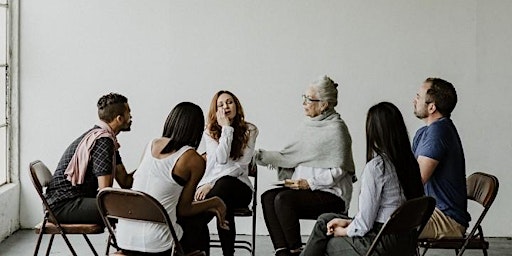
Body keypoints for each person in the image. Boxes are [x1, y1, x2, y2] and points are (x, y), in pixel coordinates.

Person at [300, 102, 425, 256]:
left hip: (382, 243)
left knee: (327, 241)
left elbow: (365, 224)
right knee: (325, 220)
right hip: (406, 241)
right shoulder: (409, 163)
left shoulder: (377, 167)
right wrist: (351, 222)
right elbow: (375, 216)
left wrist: (344, 231)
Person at [256, 75, 356, 256]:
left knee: (283, 200)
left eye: (308, 99)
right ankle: (282, 252)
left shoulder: (337, 129)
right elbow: (288, 157)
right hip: (305, 192)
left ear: (324, 104)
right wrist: (258, 157)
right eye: (304, 97)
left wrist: (309, 183)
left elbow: (339, 170)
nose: (304, 103)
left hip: (331, 195)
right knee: (268, 198)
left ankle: (296, 251)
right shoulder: (307, 126)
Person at [115, 102, 228, 255]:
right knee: (197, 223)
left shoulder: (152, 145)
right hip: (158, 243)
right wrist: (215, 202)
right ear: (197, 129)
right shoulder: (193, 159)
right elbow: (184, 209)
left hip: (124, 238)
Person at [45, 92, 135, 225]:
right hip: (62, 206)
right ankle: (127, 244)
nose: (131, 116)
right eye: (129, 112)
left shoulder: (105, 138)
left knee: (134, 207)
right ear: (119, 119)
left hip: (70, 202)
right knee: (131, 209)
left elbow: (125, 182)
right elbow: (105, 191)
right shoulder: (102, 141)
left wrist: (150, 166)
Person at [194, 91, 258, 256]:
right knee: (223, 201)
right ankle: (227, 254)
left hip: (240, 188)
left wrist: (211, 183)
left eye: (229, 102)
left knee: (224, 186)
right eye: (220, 105)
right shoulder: (209, 131)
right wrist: (225, 129)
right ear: (215, 110)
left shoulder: (250, 130)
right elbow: (220, 159)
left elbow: (241, 165)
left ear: (236, 105)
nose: (225, 107)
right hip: (220, 191)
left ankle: (198, 228)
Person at [412, 77, 471, 239]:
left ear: (431, 107)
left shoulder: (438, 132)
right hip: (432, 211)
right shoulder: (425, 132)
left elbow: (415, 182)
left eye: (418, 97)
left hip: (447, 218)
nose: (414, 100)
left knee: (388, 228)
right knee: (382, 222)